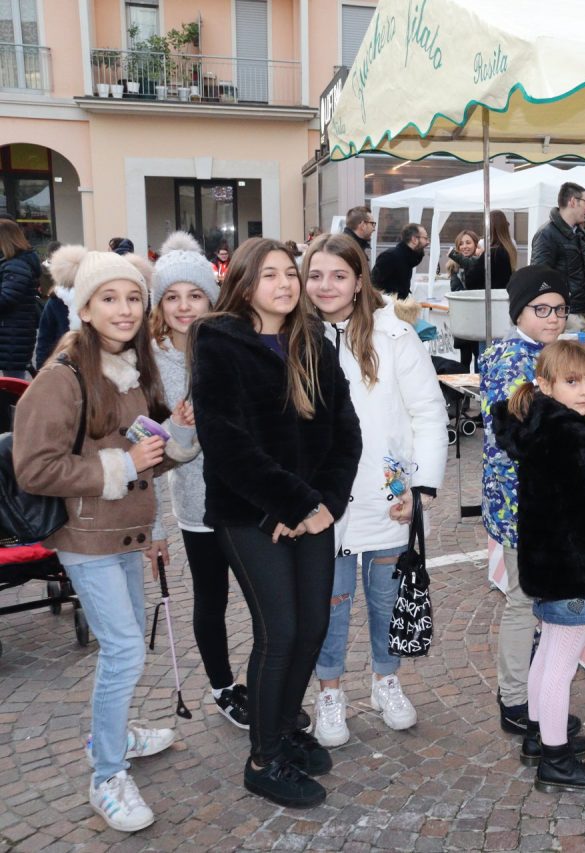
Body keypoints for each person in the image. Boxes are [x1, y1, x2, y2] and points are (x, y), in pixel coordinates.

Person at [14, 246, 195, 832]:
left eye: (133, 298)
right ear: (85, 308)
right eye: (109, 298)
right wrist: (120, 464)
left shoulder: (133, 369)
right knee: (120, 649)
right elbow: (34, 468)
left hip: (126, 532)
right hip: (85, 537)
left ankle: (113, 734)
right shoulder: (60, 377)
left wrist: (175, 437)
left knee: (126, 649)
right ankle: (106, 773)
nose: (124, 309)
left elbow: (149, 456)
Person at [190, 237, 361, 808]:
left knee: (313, 625)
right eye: (270, 275)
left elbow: (346, 431)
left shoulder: (313, 340)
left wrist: (323, 505)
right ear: (242, 283)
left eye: (291, 273)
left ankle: (285, 728)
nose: (286, 284)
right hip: (248, 514)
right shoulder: (218, 341)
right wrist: (291, 505)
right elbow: (226, 443)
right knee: (280, 630)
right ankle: (263, 757)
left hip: (312, 511)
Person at [304, 233, 449, 745]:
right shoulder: (295, 337)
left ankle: (386, 681)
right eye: (316, 275)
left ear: (359, 278)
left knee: (387, 601)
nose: (327, 285)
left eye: (338, 275)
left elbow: (429, 413)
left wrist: (423, 486)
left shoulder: (393, 335)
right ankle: (330, 693)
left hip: (390, 498)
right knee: (330, 603)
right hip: (325, 503)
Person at [491, 340, 585, 792]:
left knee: (548, 654)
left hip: (546, 561)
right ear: (545, 383)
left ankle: (539, 739)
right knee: (561, 662)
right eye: (572, 381)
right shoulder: (572, 432)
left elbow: (573, 492)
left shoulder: (538, 424)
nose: (584, 391)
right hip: (573, 565)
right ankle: (556, 761)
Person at [148, 232, 251, 729]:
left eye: (194, 295)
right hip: (195, 504)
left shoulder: (231, 342)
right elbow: (145, 453)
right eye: (172, 296)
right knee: (212, 597)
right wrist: (154, 530)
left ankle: (265, 684)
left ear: (211, 298)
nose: (184, 306)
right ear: (159, 303)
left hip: (248, 498)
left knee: (264, 599)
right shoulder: (149, 363)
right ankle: (222, 685)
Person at [479, 265, 585, 741]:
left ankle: (538, 700)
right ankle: (516, 699)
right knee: (524, 601)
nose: (553, 318)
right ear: (519, 312)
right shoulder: (513, 361)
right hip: (523, 505)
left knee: (536, 600)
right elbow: (526, 438)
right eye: (541, 309)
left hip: (528, 503)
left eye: (560, 309)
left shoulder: (535, 353)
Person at [453, 212, 517, 372]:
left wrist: (475, 261)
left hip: (489, 313)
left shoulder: (491, 253)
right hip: (502, 311)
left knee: (485, 358)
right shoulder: (508, 250)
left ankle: (484, 391)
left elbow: (471, 280)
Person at [530, 182, 585, 332]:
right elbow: (538, 277)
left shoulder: (578, 234)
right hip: (563, 315)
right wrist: (555, 311)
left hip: (582, 313)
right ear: (572, 201)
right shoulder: (547, 234)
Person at [0, 218, 42, 377]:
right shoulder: (12, 263)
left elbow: (7, 298)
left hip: (13, 334)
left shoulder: (16, 265)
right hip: (12, 333)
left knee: (13, 386)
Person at [371, 223, 427, 300]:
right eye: (425, 238)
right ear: (414, 239)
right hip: (389, 307)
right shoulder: (390, 256)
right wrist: (387, 301)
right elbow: (374, 283)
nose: (428, 242)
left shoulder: (410, 257)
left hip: (401, 305)